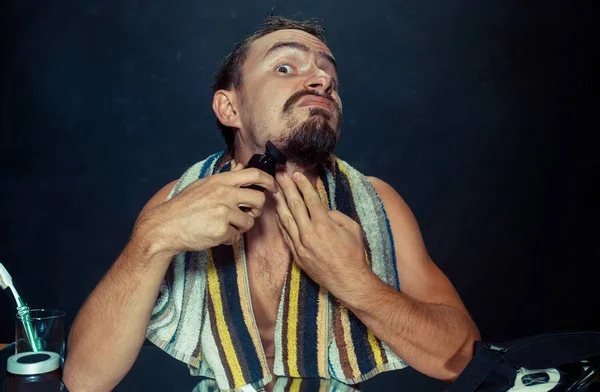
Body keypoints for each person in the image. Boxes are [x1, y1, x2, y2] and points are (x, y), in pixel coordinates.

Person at [63, 15, 481, 392]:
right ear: (229, 107)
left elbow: (463, 361)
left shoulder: (377, 203)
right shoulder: (176, 203)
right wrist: (152, 239)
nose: (322, 81)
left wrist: (353, 280)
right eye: (286, 67)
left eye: (328, 74)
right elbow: (84, 381)